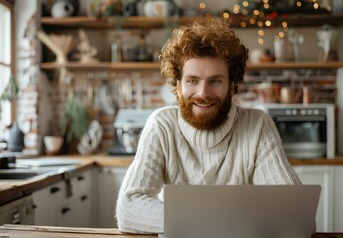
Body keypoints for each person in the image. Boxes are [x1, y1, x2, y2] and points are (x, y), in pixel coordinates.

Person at [116, 17, 301, 234]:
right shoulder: (161, 126)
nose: (203, 94)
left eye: (215, 81)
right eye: (192, 80)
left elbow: (296, 213)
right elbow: (129, 210)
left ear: (232, 87)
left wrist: (192, 220)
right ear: (178, 86)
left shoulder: (257, 125)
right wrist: (223, 221)